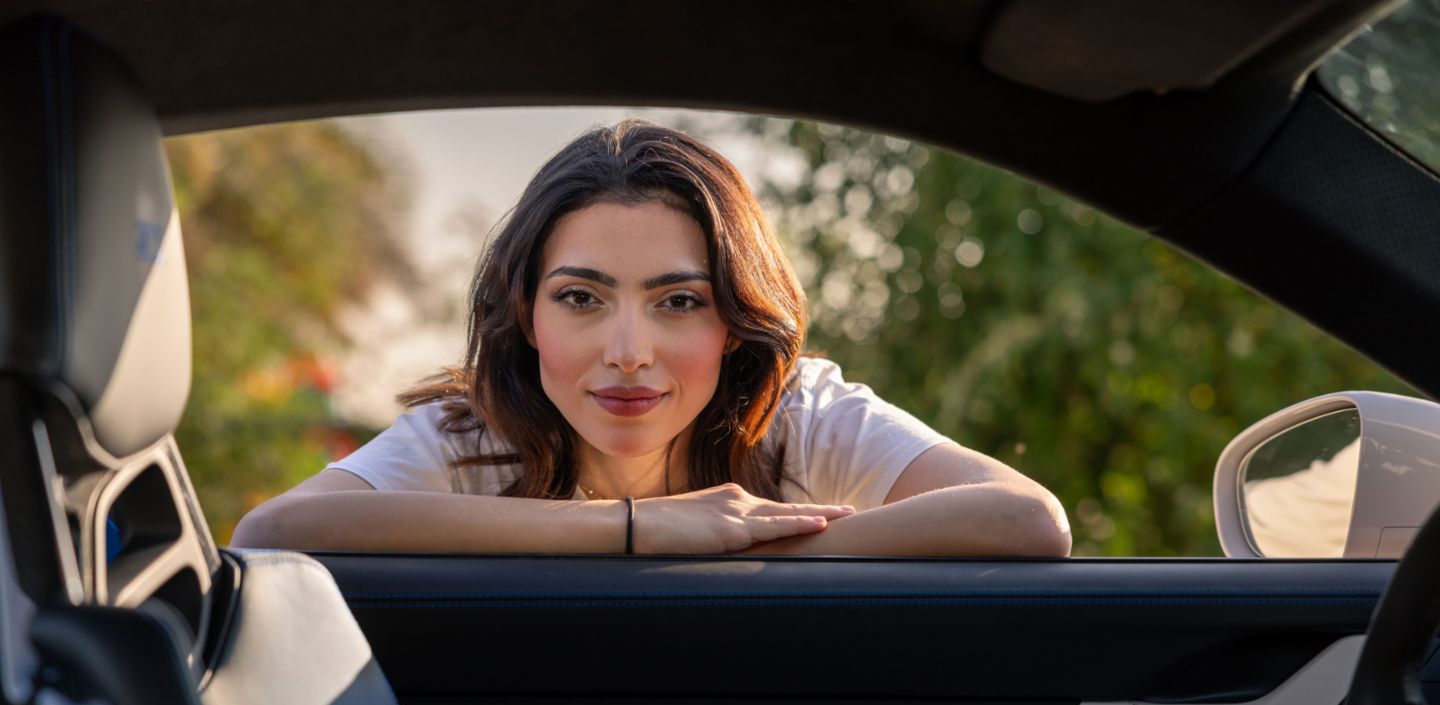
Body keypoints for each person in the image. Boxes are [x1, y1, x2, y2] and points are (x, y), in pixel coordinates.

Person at [232, 121, 1070, 557]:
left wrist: (746, 543)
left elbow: (1025, 519)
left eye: (678, 302)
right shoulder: (470, 436)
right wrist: (638, 530)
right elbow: (273, 533)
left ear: (734, 321)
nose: (628, 351)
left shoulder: (801, 416)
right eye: (581, 298)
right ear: (526, 314)